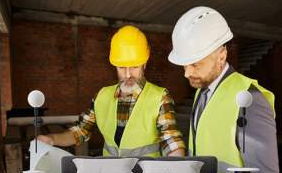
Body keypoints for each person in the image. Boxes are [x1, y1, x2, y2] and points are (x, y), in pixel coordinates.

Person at [168, 7, 279, 173]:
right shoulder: (202, 92)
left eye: (195, 64)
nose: (187, 73)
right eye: (184, 65)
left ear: (221, 56)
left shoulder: (249, 100)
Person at [39, 25, 185, 157]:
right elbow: (81, 130)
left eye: (134, 67)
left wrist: (178, 172)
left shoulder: (160, 97)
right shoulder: (102, 96)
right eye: (122, 68)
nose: (128, 75)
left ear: (144, 64)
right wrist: (52, 139)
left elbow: (171, 140)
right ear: (114, 66)